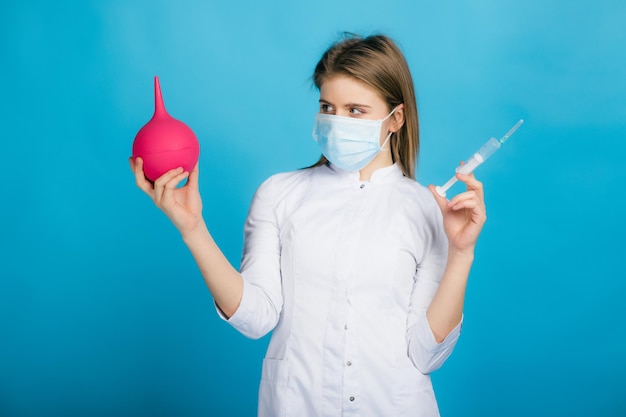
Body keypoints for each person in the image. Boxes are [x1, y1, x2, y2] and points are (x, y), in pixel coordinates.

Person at [130, 33, 486, 417]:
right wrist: (193, 229)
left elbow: (426, 353)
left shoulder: (429, 210)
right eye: (327, 107)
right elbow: (255, 317)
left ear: (395, 119)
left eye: (355, 110)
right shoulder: (280, 194)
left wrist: (461, 253)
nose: (336, 122)